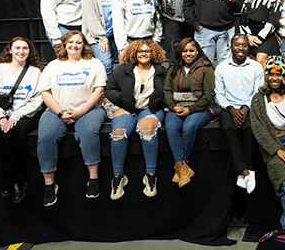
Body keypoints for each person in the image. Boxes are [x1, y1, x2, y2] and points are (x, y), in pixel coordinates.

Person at [37, 31, 107, 206]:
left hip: (89, 109)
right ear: (64, 45)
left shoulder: (95, 63)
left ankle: (93, 179)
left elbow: (98, 91)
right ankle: (49, 185)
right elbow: (45, 92)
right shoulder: (53, 66)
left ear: (84, 45)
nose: (74, 45)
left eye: (78, 42)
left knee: (88, 133)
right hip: (58, 110)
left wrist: (82, 111)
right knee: (45, 137)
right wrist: (60, 112)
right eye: (70, 42)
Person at [0, 37, 43, 204]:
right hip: (0, 112)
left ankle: (9, 184)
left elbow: (37, 101)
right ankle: (15, 181)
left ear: (30, 52)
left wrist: (15, 116)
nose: (21, 51)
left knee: (13, 135)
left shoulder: (35, 72)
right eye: (17, 48)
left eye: (25, 48)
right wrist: (0, 116)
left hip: (25, 114)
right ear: (10, 50)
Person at [104, 39, 167, 200]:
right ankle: (118, 177)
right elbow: (109, 89)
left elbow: (169, 91)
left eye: (147, 51)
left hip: (151, 110)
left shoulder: (161, 71)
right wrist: (124, 100)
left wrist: (160, 102)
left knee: (147, 128)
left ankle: (150, 176)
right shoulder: (123, 70)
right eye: (140, 51)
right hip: (128, 108)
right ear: (134, 53)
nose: (144, 54)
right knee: (117, 133)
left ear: (154, 53)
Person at [251, 56, 285, 230]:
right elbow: (259, 130)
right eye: (271, 74)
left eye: (278, 74)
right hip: (272, 149)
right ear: (267, 75)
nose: (274, 78)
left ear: (283, 76)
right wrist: (278, 151)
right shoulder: (258, 99)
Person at [215, 35, 264, 193]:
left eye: (244, 45)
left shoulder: (256, 67)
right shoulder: (221, 67)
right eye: (237, 45)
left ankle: (243, 173)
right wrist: (231, 109)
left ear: (248, 47)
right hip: (228, 107)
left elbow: (258, 91)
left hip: (249, 106)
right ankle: (246, 171)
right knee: (228, 129)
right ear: (231, 46)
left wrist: (245, 108)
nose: (241, 48)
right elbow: (218, 94)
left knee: (249, 129)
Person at [164, 38, 214, 188]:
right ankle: (183, 168)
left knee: (189, 127)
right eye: (184, 51)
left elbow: (209, 95)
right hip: (177, 107)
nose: (188, 54)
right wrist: (173, 107)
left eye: (191, 50)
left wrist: (190, 110)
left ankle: (180, 165)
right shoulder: (173, 68)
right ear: (180, 52)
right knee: (172, 127)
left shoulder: (206, 68)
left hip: (199, 109)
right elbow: (166, 90)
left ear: (197, 51)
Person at [82, 0, 119, 75]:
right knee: (105, 65)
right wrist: (101, 37)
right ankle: (103, 93)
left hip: (113, 34)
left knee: (113, 62)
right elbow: (89, 14)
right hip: (98, 36)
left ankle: (109, 91)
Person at [238, 0, 282, 65]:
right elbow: (242, 20)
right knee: (251, 63)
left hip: (266, 37)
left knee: (260, 61)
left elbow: (273, 21)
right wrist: (248, 36)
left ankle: (263, 81)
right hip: (251, 37)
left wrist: (260, 37)